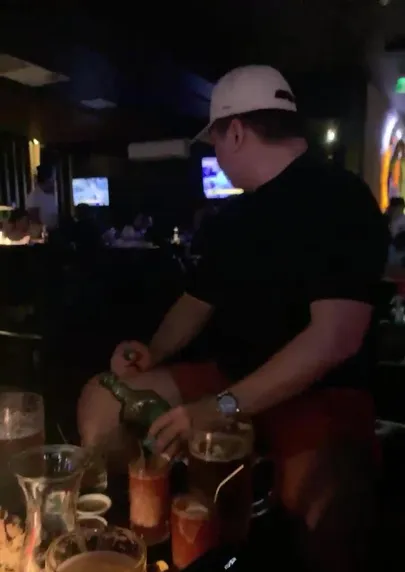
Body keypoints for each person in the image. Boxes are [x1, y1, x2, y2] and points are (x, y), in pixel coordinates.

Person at [78, 65, 388, 530]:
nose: (217, 156)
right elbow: (196, 301)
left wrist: (220, 406)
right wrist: (154, 352)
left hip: (319, 393)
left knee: (325, 505)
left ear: (237, 133)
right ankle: (133, 527)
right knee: (102, 398)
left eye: (216, 142)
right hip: (228, 378)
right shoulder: (232, 218)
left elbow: (334, 339)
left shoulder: (342, 198)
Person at [26, 164, 58, 230]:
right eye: (53, 179)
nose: (54, 181)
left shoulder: (56, 193)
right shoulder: (33, 197)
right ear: (47, 180)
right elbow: (35, 222)